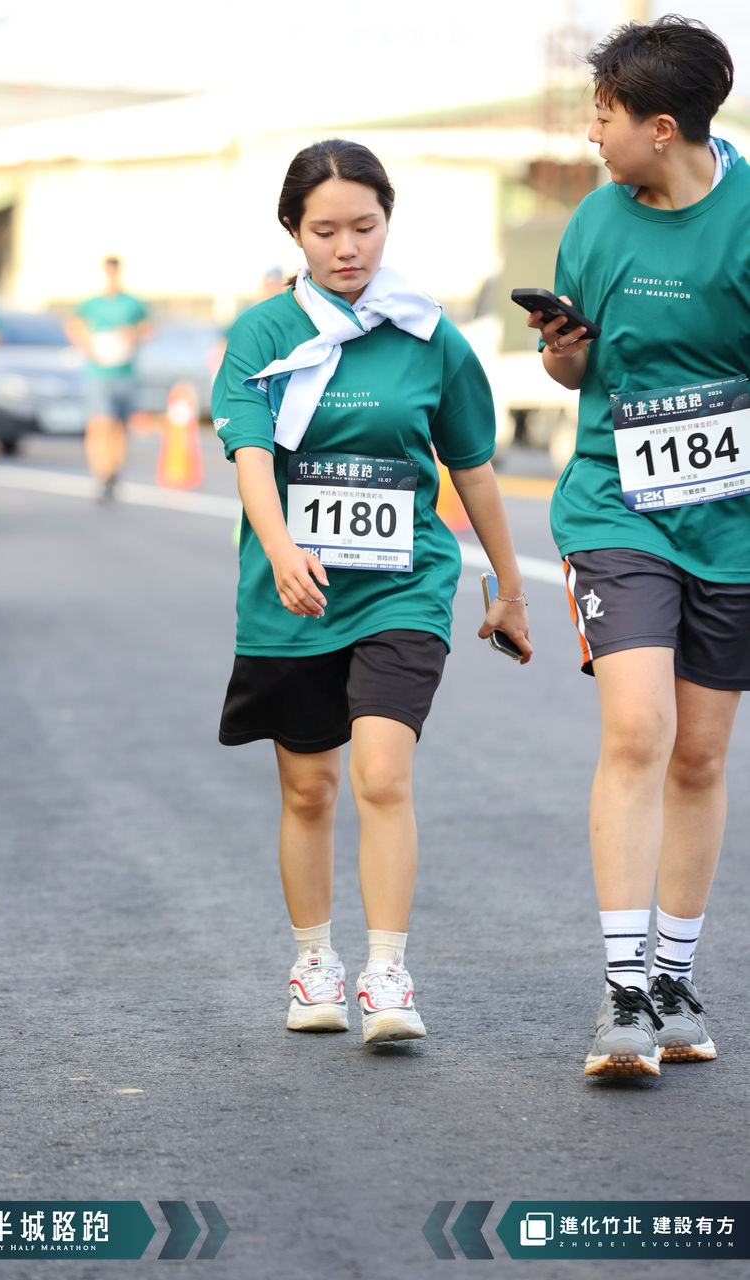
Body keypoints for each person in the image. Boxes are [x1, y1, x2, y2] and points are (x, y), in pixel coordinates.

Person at [214, 139, 531, 1044]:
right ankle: (314, 961)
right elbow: (250, 453)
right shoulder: (263, 334)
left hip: (402, 585)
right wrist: (281, 549)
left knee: (382, 774)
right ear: (293, 232)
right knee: (309, 789)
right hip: (295, 590)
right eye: (325, 231)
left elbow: (471, 466)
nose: (347, 247)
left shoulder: (429, 335)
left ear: (388, 221)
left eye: (364, 225)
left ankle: (386, 973)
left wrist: (508, 585)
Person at [524, 15, 745, 1078]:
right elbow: (574, 375)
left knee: (699, 754)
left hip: (732, 523)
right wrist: (564, 354)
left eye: (604, 117)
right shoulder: (595, 221)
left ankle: (672, 981)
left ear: (662, 127)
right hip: (617, 508)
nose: (590, 135)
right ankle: (621, 996)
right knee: (638, 728)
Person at [66, 256, 150, 501]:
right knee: (100, 422)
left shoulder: (132, 303)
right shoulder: (92, 304)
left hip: (125, 372)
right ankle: (101, 473)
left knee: (119, 425)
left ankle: (114, 470)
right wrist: (86, 344)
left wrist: (133, 334)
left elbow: (148, 328)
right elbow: (74, 325)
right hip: (98, 372)